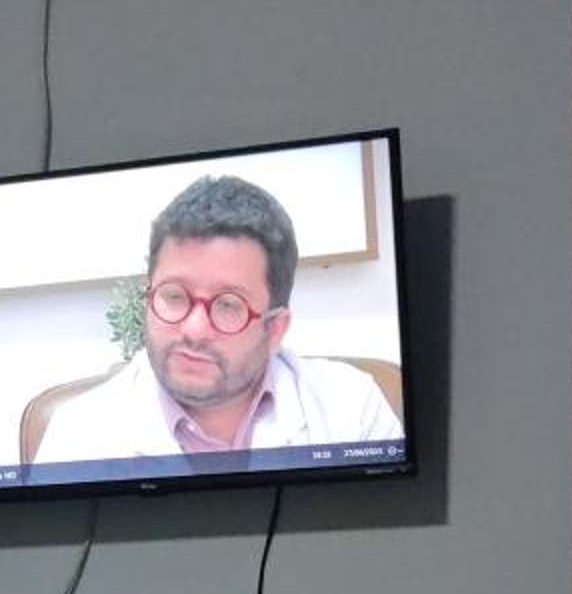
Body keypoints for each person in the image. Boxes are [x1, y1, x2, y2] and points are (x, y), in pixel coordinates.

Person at [25, 171, 403, 466]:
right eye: (174, 296)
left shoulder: (353, 408)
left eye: (227, 305)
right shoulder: (78, 433)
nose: (193, 329)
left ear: (275, 329)